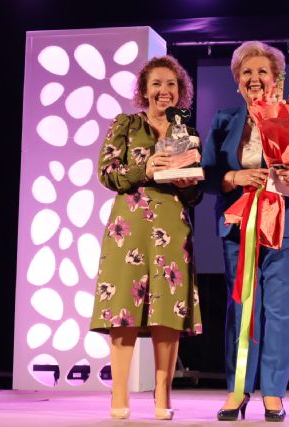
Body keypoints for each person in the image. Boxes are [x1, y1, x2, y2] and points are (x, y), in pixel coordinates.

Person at [201, 40, 289, 422]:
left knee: (281, 311)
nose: (254, 78)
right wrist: (234, 177)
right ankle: (237, 390)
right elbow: (208, 174)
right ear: (236, 80)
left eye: (262, 72)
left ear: (277, 79)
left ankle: (273, 393)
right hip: (240, 225)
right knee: (242, 308)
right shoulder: (225, 119)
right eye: (246, 72)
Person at [89, 55, 203, 421]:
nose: (164, 90)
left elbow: (196, 194)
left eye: (171, 84)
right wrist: (145, 168)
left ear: (180, 91)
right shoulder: (126, 124)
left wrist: (187, 183)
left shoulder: (185, 132)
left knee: (167, 311)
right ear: (144, 89)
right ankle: (119, 394)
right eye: (157, 84)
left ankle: (162, 394)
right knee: (123, 308)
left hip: (172, 224)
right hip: (129, 227)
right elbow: (107, 172)